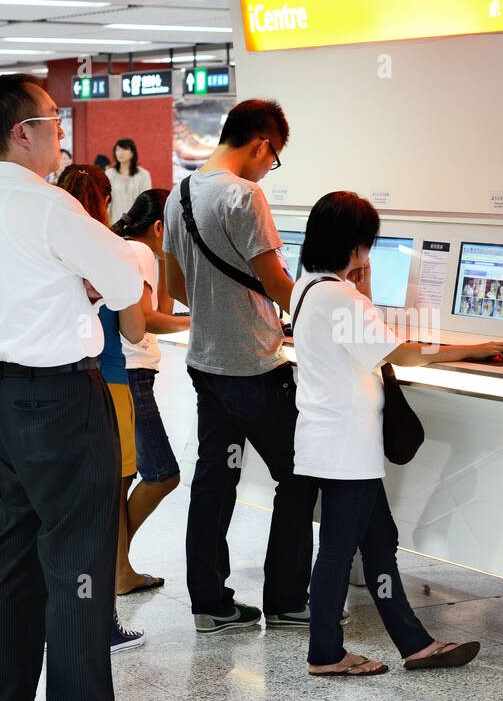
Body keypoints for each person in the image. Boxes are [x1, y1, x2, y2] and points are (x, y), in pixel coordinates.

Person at [0, 72, 161, 701]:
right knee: (78, 557)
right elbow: (130, 283)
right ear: (23, 132)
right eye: (53, 120)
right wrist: (120, 260)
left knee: (14, 552)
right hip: (61, 400)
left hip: (6, 398)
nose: (62, 132)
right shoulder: (48, 206)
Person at [293, 191, 503, 675]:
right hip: (347, 447)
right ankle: (326, 654)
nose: (367, 253)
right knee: (337, 551)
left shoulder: (309, 286)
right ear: (353, 244)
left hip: (327, 440)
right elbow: (404, 353)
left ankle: (415, 644)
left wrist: (363, 291)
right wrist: (473, 350)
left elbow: (360, 342)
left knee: (378, 545)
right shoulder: (340, 296)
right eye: (366, 243)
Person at [161, 98, 318, 634]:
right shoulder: (244, 195)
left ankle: (211, 604)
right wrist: (324, 311)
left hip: (206, 365)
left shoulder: (179, 194)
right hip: (254, 365)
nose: (266, 171)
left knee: (213, 482)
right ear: (262, 145)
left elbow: (175, 288)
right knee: (298, 475)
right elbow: (276, 282)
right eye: (272, 161)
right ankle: (288, 599)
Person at [56, 164, 156, 654]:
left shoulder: (48, 246)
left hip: (54, 384)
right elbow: (136, 331)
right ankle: (104, 622)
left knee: (64, 510)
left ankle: (65, 618)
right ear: (107, 202)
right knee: (106, 506)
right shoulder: (110, 249)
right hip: (108, 383)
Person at [113, 189, 190, 594]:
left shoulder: (138, 252)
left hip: (128, 373)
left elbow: (162, 307)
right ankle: (111, 563)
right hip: (132, 375)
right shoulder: (140, 252)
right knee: (162, 475)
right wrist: (197, 322)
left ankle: (118, 569)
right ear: (160, 227)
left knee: (125, 480)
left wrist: (166, 255)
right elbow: (147, 320)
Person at [106, 137, 151, 226]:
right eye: (117, 149)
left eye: (124, 149)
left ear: (132, 153)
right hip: (113, 224)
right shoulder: (109, 174)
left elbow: (146, 202)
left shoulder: (143, 175)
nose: (120, 153)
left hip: (135, 225)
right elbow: (105, 202)